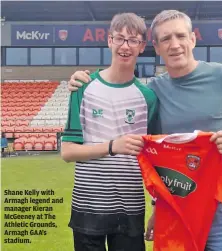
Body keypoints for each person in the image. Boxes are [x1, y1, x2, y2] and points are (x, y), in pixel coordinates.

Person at [67, 10, 222, 251]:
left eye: (180, 36)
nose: (175, 45)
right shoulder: (155, 92)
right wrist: (157, 210)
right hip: (176, 209)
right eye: (165, 39)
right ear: (156, 47)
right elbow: (157, 160)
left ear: (192, 39)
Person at [61, 12, 158, 251]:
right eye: (120, 38)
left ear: (142, 46)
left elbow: (156, 159)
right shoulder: (82, 88)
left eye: (133, 40)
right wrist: (114, 147)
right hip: (87, 206)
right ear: (109, 41)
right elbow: (68, 151)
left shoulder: (148, 98)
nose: (125, 46)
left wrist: (158, 206)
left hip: (130, 208)